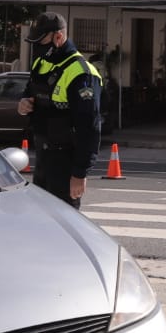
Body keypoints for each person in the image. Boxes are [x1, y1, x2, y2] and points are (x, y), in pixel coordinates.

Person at [16, 12, 102, 208]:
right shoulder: (41, 63)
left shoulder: (82, 73)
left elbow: (89, 127)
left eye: (41, 40)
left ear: (59, 37)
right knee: (42, 222)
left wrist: (79, 173)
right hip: (43, 158)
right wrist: (23, 105)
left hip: (65, 162)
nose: (37, 46)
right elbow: (29, 94)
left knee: (64, 224)